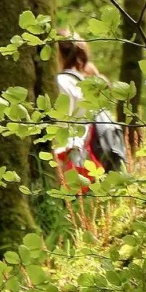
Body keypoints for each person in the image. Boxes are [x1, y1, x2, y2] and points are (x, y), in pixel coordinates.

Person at [55, 33, 127, 189]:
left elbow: (59, 129)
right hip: (86, 164)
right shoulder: (85, 85)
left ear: (57, 53)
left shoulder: (61, 83)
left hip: (65, 164)